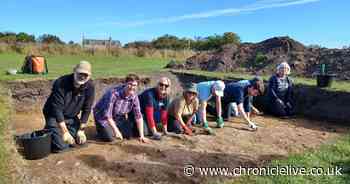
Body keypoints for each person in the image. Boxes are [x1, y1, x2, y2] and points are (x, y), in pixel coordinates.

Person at [43, 61, 95, 153]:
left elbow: (87, 109)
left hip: (71, 116)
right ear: (74, 71)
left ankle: (56, 131)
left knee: (80, 141)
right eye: (80, 73)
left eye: (85, 75)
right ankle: (50, 129)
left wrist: (81, 130)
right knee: (61, 146)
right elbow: (57, 109)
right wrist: (65, 132)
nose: (82, 76)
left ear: (89, 76)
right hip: (54, 115)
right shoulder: (61, 83)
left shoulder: (90, 86)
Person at [93, 74, 148, 143]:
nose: (132, 87)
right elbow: (107, 115)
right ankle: (101, 130)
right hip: (102, 117)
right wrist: (116, 131)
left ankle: (113, 129)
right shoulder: (114, 94)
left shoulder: (134, 97)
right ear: (125, 83)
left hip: (117, 117)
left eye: (134, 85)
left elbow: (138, 116)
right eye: (130, 84)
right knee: (110, 138)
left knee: (129, 134)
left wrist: (142, 136)